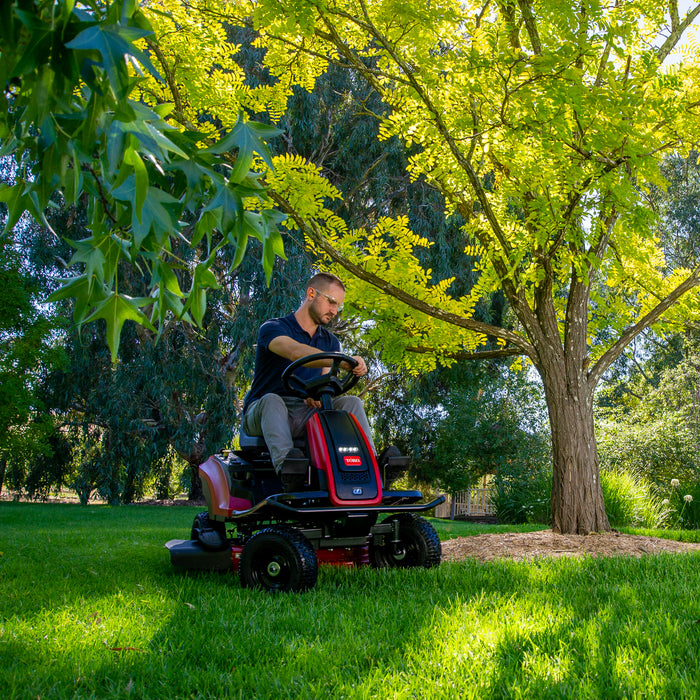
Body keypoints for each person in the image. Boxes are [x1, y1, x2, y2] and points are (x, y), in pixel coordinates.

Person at [241, 272, 399, 491]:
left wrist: (332, 384)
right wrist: (342, 361)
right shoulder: (273, 327)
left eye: (338, 306)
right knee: (272, 400)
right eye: (331, 302)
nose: (334, 311)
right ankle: (290, 471)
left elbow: (327, 378)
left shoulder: (330, 341)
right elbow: (294, 351)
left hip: (306, 412)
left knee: (351, 402)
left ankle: (373, 469)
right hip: (265, 412)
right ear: (311, 293)